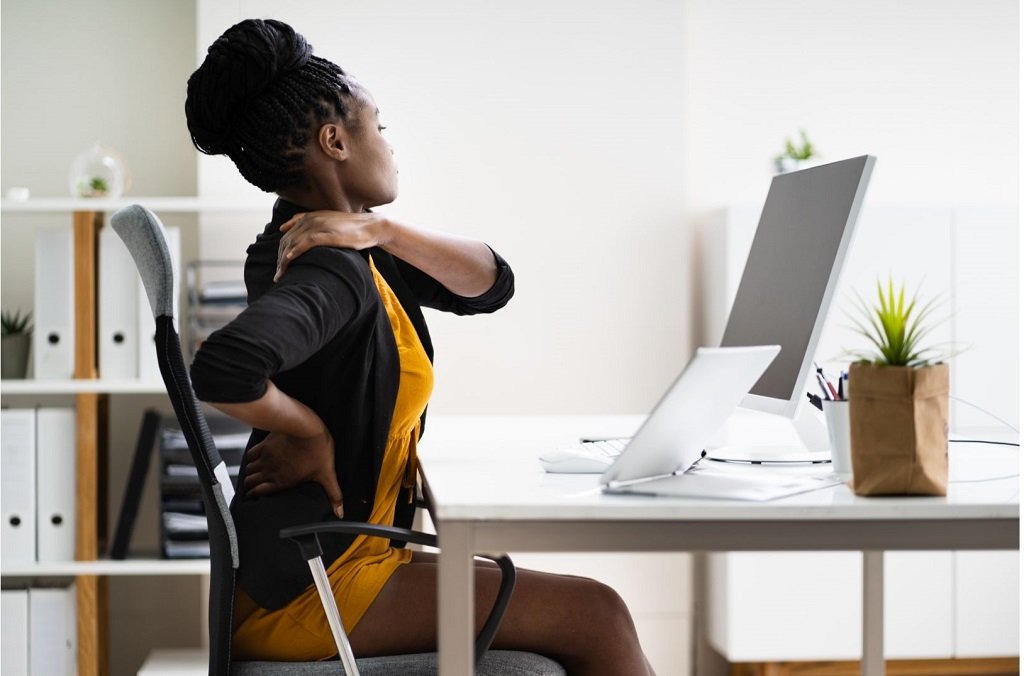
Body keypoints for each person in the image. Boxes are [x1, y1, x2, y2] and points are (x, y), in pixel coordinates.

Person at [185, 18, 654, 675]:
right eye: (379, 126)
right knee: (597, 614)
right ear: (335, 140)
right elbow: (224, 366)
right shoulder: (327, 267)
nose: (389, 145)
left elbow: (491, 283)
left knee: (593, 613)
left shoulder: (347, 246)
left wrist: (383, 231)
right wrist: (309, 431)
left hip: (341, 555)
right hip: (316, 584)